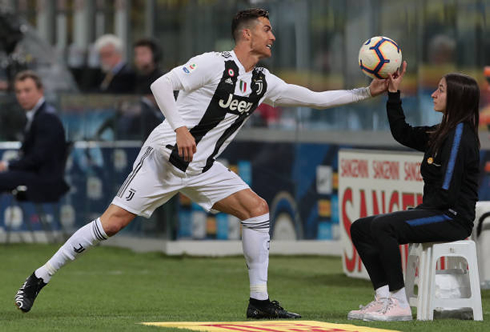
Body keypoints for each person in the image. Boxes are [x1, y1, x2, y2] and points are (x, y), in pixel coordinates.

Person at [14, 8, 387, 318]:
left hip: (203, 166)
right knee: (110, 224)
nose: (273, 37)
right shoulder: (213, 64)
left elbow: (315, 99)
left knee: (256, 210)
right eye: (267, 30)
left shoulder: (261, 82)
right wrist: (180, 129)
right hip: (166, 156)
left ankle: (259, 302)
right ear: (246, 35)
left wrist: (364, 92)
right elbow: (161, 84)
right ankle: (39, 277)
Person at [348, 61, 480, 322]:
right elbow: (402, 132)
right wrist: (393, 93)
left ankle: (399, 303)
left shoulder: (460, 137)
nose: (434, 94)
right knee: (361, 228)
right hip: (436, 211)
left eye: (440, 90)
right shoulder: (442, 132)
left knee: (384, 227)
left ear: (456, 99)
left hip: (452, 217)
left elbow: (447, 194)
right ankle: (383, 298)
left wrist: (415, 214)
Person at [0, 70, 68, 202]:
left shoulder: (46, 117)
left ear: (40, 90)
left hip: (43, 180)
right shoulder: (38, 115)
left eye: (27, 90)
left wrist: (7, 165)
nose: (22, 96)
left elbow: (37, 159)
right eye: (19, 92)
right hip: (37, 175)